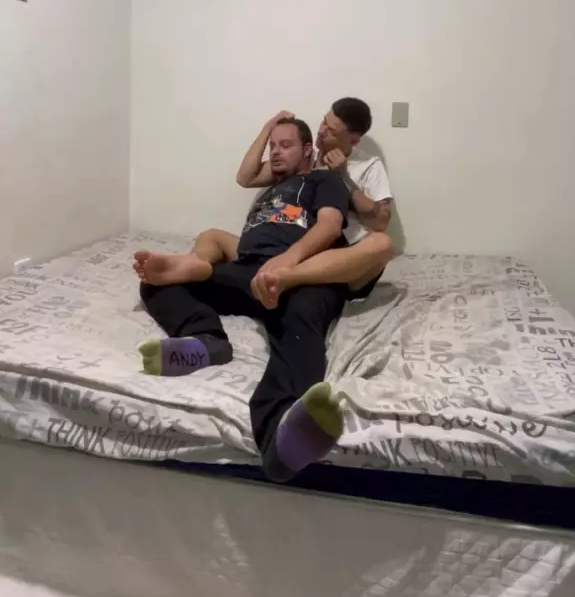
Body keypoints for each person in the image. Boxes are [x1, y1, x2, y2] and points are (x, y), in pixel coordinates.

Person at [138, 117, 351, 482]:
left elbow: (330, 226)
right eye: (273, 146)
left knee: (299, 322)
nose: (276, 152)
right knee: (156, 282)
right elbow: (245, 175)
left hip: (300, 272)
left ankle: (279, 439)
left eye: (286, 145)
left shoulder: (323, 181)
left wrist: (289, 263)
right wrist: (269, 128)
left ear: (307, 150)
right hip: (248, 269)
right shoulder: (270, 191)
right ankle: (207, 341)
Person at [134, 98, 394, 307]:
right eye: (324, 122)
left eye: (332, 131)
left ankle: (289, 276)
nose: (322, 132)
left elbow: (381, 221)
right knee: (212, 236)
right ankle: (194, 263)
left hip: (338, 254)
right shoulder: (303, 160)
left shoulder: (368, 166)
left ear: (353, 140)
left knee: (382, 244)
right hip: (292, 241)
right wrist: (269, 127)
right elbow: (245, 177)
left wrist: (343, 176)